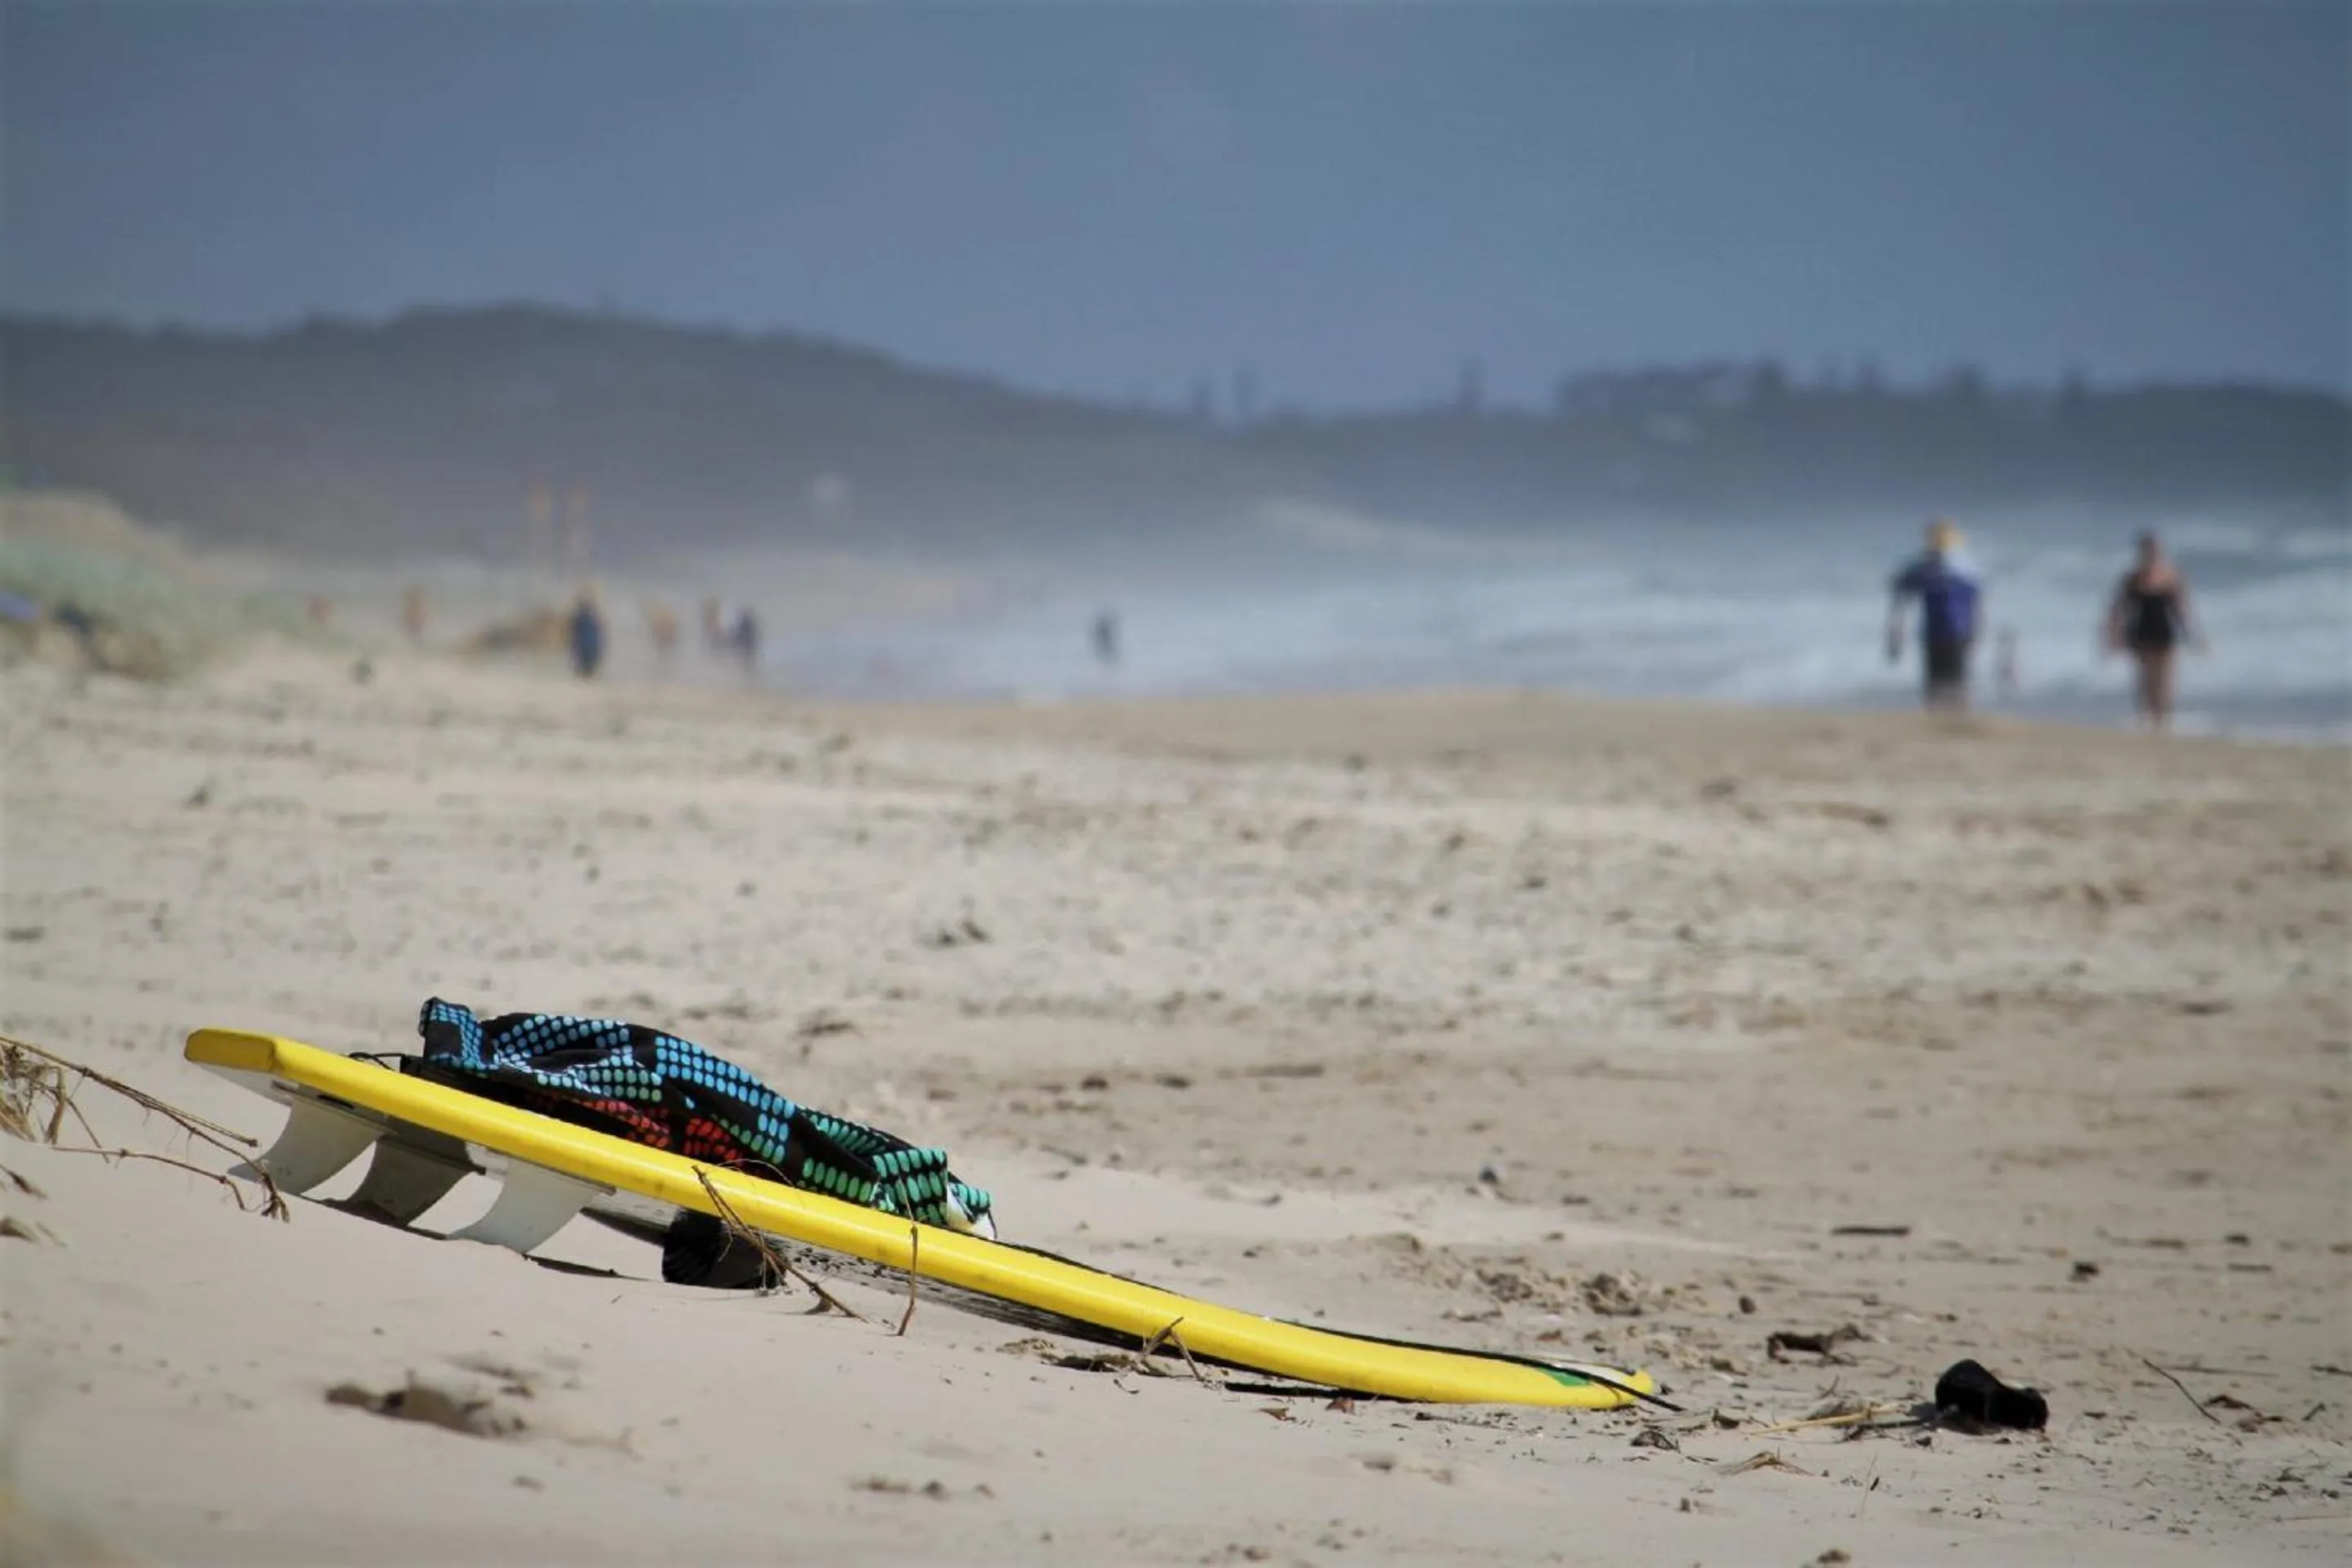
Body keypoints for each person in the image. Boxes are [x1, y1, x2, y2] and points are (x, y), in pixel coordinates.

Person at [2104, 531, 2205, 730]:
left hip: (2164, 630)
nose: (2152, 554)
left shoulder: (2172, 576)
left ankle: (2163, 719)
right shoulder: (2132, 578)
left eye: (2155, 550)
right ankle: (2147, 717)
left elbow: (2182, 608)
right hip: (2141, 630)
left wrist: (2194, 635)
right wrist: (2113, 635)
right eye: (2149, 550)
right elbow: (2118, 609)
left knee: (2166, 678)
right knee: (2145, 678)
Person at [1886, 518, 1983, 711]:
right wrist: (1896, 634)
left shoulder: (1964, 572)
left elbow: (1978, 606)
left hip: (1958, 633)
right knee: (1938, 684)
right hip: (1936, 633)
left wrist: (1977, 632)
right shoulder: (1925, 571)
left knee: (1957, 683)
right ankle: (1940, 718)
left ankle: (1957, 718)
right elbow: (1900, 599)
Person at [568, 589, 606, 680]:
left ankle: (586, 676)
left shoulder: (582, 617)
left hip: (587, 647)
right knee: (587, 665)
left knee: (586, 665)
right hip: (588, 647)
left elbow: (575, 634)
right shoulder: (591, 616)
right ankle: (587, 676)